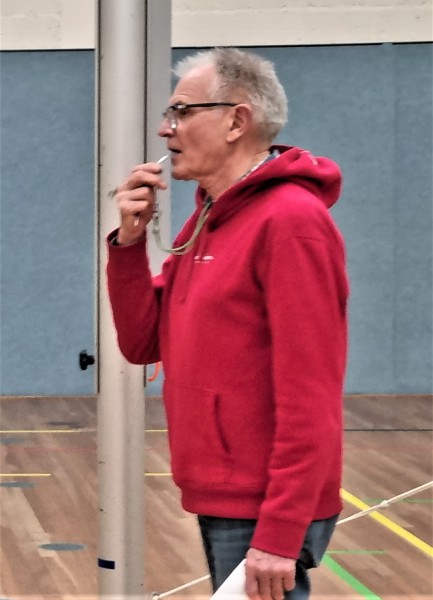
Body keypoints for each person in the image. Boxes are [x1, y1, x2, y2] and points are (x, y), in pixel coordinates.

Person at [106, 47, 349, 600]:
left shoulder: (291, 222)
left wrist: (280, 533)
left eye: (182, 112)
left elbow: (311, 393)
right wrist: (129, 243)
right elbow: (143, 342)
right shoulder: (209, 214)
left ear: (237, 121)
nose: (166, 128)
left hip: (265, 508)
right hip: (224, 496)